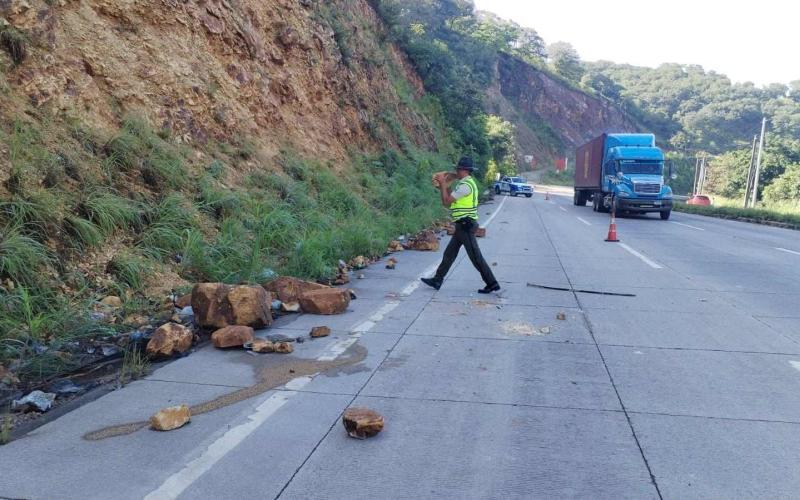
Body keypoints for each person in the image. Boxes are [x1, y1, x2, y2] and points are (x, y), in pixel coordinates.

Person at [421, 156, 500, 293]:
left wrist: (443, 183)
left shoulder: (465, 186)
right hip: (462, 225)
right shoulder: (465, 183)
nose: (456, 171)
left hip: (466, 225)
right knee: (449, 254)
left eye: (457, 169)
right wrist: (444, 185)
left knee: (476, 257)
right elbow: (451, 198)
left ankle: (492, 283)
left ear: (463, 170)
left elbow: (446, 201)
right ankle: (437, 280)